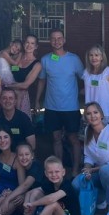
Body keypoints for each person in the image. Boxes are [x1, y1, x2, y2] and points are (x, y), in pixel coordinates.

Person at [35, 29, 84, 177]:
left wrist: (85, 93)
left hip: (71, 107)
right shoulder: (45, 60)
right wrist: (37, 100)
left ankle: (75, 170)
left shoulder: (74, 59)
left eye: (59, 38)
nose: (57, 41)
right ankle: (59, 171)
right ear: (50, 41)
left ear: (64, 40)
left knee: (73, 139)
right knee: (56, 139)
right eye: (53, 38)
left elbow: (85, 78)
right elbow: (42, 81)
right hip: (52, 107)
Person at [10, 155, 81, 215]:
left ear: (63, 172)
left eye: (57, 172)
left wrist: (32, 204)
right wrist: (26, 203)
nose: (54, 175)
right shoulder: (49, 183)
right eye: (50, 172)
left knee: (53, 204)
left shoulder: (67, 185)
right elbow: (30, 192)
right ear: (46, 174)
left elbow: (51, 199)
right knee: (36, 193)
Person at [0, 87, 36, 155]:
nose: (7, 101)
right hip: (2, 150)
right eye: (4, 98)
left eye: (11, 98)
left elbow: (32, 145)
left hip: (19, 153)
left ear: (15, 101)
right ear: (0, 100)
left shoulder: (24, 118)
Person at [83, 45, 109, 127]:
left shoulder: (108, 72)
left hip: (106, 115)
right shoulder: (86, 73)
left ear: (102, 57)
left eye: (97, 55)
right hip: (91, 116)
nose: (94, 58)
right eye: (91, 55)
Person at [11, 34, 42, 118]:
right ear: (24, 44)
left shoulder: (37, 64)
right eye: (27, 42)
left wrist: (6, 85)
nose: (29, 45)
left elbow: (25, 85)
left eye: (32, 43)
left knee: (19, 121)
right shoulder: (16, 57)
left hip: (21, 98)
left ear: (36, 46)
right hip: (7, 96)